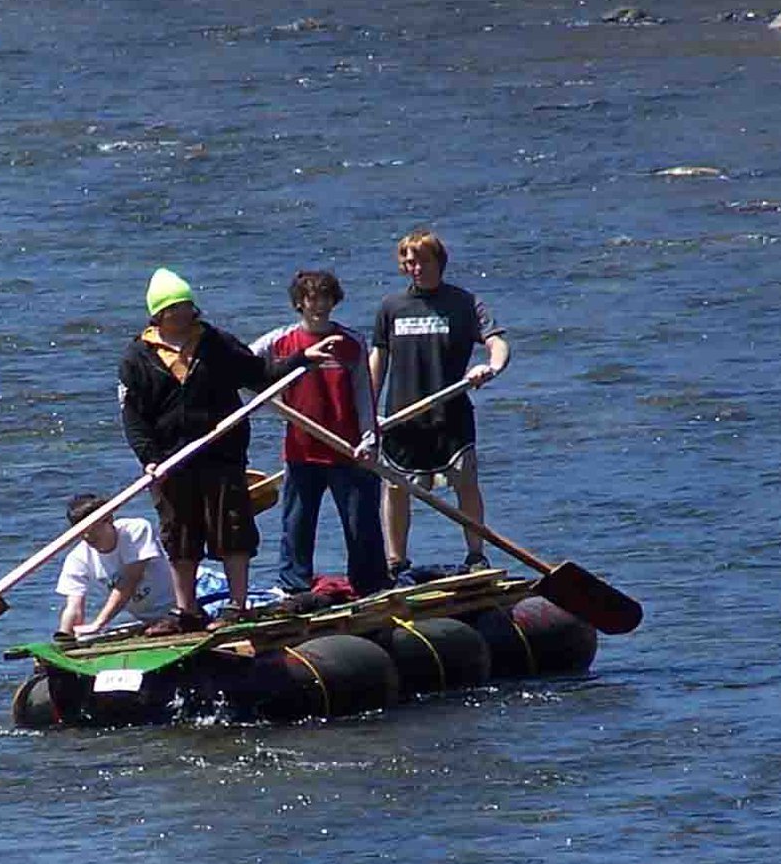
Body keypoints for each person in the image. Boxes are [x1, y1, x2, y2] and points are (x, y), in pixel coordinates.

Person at [120, 267, 344, 635]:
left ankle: (237, 606)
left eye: (186, 306)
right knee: (180, 535)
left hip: (222, 453)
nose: (181, 314)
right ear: (158, 314)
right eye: (173, 308)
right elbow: (133, 417)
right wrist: (149, 459)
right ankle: (185, 610)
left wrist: (303, 358)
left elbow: (260, 373)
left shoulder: (215, 343)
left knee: (233, 530)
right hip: (170, 462)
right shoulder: (137, 357)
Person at [368, 230, 511, 578]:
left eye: (422, 260)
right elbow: (378, 358)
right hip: (402, 414)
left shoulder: (464, 303)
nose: (415, 267)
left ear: (439, 262)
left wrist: (490, 368)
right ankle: (395, 561)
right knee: (395, 487)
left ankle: (476, 554)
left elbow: (497, 343)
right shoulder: (391, 307)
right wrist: (367, 408)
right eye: (409, 261)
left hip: (451, 412)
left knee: (465, 481)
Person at [251, 270, 388, 598]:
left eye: (326, 297)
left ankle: (371, 587)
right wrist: (269, 402)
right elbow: (243, 369)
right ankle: (294, 588)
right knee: (296, 526)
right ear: (299, 302)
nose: (320, 305)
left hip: (348, 451)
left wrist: (369, 441)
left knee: (361, 526)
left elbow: (364, 397)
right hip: (302, 452)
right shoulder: (280, 342)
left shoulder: (351, 343)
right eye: (312, 298)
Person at [54, 494, 175, 637]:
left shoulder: (135, 530)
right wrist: (65, 634)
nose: (87, 536)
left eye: (92, 528)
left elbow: (130, 580)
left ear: (109, 519)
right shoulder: (77, 559)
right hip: (151, 620)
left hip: (192, 597)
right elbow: (74, 606)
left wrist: (98, 624)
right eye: (81, 531)